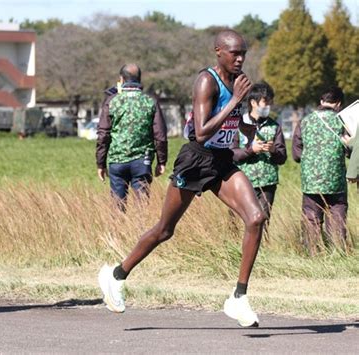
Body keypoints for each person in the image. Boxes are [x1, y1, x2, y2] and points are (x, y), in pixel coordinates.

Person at [98, 30, 266, 327]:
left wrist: (248, 126)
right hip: (196, 160)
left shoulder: (236, 82)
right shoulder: (206, 81)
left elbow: (231, 120)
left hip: (223, 159)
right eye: (234, 53)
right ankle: (116, 276)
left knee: (255, 218)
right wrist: (235, 100)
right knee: (165, 230)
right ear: (218, 52)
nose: (240, 58)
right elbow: (201, 132)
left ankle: (238, 298)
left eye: (243, 53)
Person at [96, 64, 168, 212]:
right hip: (142, 161)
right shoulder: (150, 101)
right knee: (142, 208)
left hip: (117, 161)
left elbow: (103, 135)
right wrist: (162, 161)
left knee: (118, 207)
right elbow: (160, 135)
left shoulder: (111, 101)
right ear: (140, 79)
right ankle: (140, 234)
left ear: (121, 79)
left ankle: (119, 233)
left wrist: (100, 163)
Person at [292, 86, 349, 255]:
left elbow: (296, 154)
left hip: (311, 182)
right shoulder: (343, 122)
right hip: (336, 182)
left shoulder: (305, 121)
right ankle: (337, 254)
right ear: (338, 103)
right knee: (337, 217)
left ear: (321, 101)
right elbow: (350, 149)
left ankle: (312, 255)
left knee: (311, 219)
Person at [230, 82, 287, 226]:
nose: (269, 106)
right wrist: (251, 150)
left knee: (263, 221)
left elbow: (282, 157)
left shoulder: (275, 126)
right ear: (253, 102)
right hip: (241, 182)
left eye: (270, 102)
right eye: (265, 101)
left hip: (267, 184)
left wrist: (273, 150)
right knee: (237, 222)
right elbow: (231, 154)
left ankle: (262, 248)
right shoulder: (237, 124)